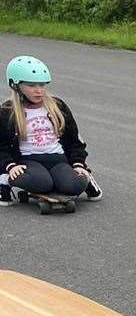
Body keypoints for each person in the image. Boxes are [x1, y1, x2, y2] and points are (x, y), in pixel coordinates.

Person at [0, 56, 103, 205]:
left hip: (58, 159)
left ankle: (87, 178)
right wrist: (10, 166)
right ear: (15, 85)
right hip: (28, 161)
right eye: (32, 85)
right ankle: (4, 179)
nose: (39, 90)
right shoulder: (7, 112)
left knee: (72, 186)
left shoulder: (58, 106)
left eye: (42, 85)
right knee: (42, 183)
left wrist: (78, 164)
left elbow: (75, 141)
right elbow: (1, 146)